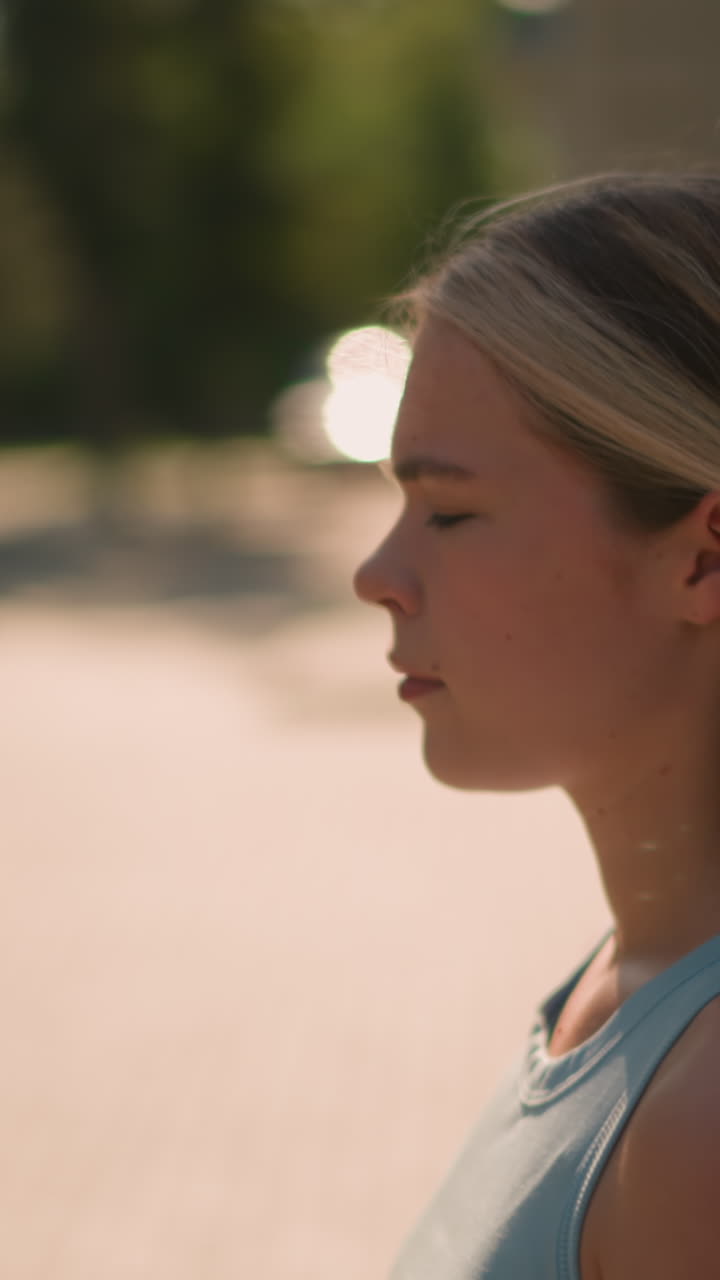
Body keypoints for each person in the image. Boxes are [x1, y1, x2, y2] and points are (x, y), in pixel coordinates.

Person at [353, 172, 720, 1279]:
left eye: (451, 512)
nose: (377, 573)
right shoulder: (625, 985)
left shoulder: (698, 1130)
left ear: (704, 556)